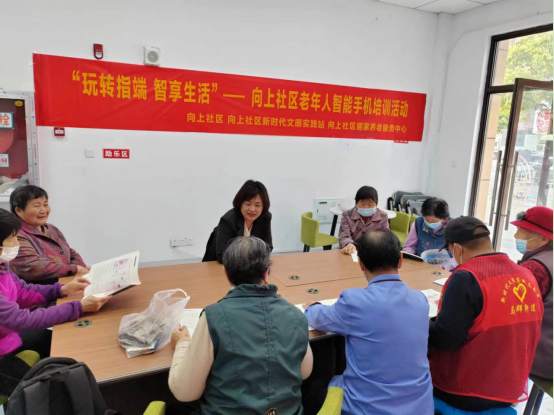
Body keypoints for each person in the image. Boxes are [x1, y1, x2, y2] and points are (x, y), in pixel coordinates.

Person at [170, 236, 312, 414]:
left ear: (225, 273)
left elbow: (185, 392)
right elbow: (305, 372)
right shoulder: (296, 315)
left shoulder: (214, 317)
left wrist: (182, 343)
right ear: (266, 274)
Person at [304, 229, 433, 415]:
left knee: (322, 382)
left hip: (367, 408)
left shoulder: (354, 301)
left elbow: (318, 318)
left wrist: (311, 307)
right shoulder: (420, 300)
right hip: (420, 407)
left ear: (361, 264)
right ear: (400, 260)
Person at [429, 216, 543, 413]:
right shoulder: (525, 274)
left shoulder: (466, 277)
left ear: (457, 249)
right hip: (509, 387)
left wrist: (419, 319)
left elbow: (445, 339)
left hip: (466, 391)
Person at [0, 209, 110, 397]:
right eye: (13, 239)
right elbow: (19, 319)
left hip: (8, 339)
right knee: (44, 392)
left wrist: (61, 290)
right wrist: (78, 307)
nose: (17, 244)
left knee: (61, 347)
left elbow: (23, 291)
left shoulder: (3, 267)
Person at [9, 185, 88, 284]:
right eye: (37, 206)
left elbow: (70, 252)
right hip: (41, 291)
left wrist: (81, 268)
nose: (43, 211)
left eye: (45, 205)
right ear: (19, 210)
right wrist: (74, 269)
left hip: (66, 283)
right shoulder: (15, 235)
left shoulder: (51, 228)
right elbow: (33, 266)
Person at [512, 206, 552, 382]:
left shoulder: (535, 268)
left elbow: (512, 308)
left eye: (521, 232)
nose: (516, 236)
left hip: (542, 354)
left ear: (543, 238)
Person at [202, 180, 273, 263]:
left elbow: (268, 247)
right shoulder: (228, 220)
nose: (252, 209)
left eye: (257, 205)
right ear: (240, 204)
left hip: (251, 265)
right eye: (248, 204)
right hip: (220, 265)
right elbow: (222, 256)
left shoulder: (265, 217)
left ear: (263, 206)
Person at [339, 186, 389, 255]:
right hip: (352, 250)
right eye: (362, 205)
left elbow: (386, 236)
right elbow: (344, 235)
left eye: (370, 205)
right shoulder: (347, 215)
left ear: (376, 204)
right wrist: (348, 244)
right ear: (356, 204)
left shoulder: (383, 216)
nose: (366, 208)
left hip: (374, 250)